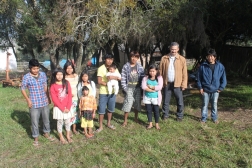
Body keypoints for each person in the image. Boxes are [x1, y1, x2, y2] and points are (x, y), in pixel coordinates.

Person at [21, 59, 54, 146]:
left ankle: (46, 133)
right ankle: (36, 138)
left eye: (37, 68)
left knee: (46, 119)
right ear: (30, 68)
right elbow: (23, 89)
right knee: (34, 121)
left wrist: (48, 97)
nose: (36, 70)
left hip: (44, 101)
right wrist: (28, 100)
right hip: (34, 102)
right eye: (34, 69)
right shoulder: (26, 77)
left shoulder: (43, 75)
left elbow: (45, 86)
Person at [159, 42, 188, 121]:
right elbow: (160, 71)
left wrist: (184, 84)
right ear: (170, 49)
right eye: (172, 49)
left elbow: (184, 73)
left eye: (175, 49)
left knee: (179, 101)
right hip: (167, 83)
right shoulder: (164, 58)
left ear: (178, 49)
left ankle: (179, 116)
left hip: (177, 84)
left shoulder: (182, 59)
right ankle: (165, 115)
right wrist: (160, 82)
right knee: (165, 101)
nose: (173, 51)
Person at [197, 49, 227, 124]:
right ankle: (203, 118)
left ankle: (214, 118)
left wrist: (221, 88)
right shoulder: (203, 66)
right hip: (205, 90)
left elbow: (224, 78)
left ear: (215, 57)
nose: (210, 58)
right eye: (209, 56)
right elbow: (198, 78)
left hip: (216, 90)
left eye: (212, 56)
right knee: (204, 105)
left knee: (214, 105)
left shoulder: (220, 66)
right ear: (207, 57)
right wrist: (200, 87)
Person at [96, 53, 120, 133]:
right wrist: (108, 84)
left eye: (111, 59)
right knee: (101, 110)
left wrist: (113, 79)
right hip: (104, 92)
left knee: (110, 109)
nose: (110, 61)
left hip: (112, 92)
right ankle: (100, 126)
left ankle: (109, 123)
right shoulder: (101, 68)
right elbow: (99, 81)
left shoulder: (114, 68)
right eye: (108, 59)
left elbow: (119, 78)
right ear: (105, 59)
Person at [121, 51, 145, 126]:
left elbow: (143, 78)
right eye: (132, 56)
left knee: (137, 104)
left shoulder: (140, 67)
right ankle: (125, 121)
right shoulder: (126, 66)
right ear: (130, 57)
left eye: (136, 57)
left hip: (137, 88)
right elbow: (123, 79)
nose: (134, 58)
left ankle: (136, 118)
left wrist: (141, 88)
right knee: (128, 103)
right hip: (129, 88)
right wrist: (125, 88)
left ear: (137, 58)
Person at [50, 68, 73, 144]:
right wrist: (62, 108)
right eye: (57, 74)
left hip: (67, 107)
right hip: (59, 108)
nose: (59, 76)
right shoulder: (53, 85)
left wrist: (68, 107)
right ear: (55, 75)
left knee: (67, 122)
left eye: (61, 74)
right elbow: (54, 99)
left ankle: (68, 136)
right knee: (60, 122)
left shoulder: (67, 83)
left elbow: (69, 95)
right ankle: (61, 136)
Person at [142, 65, 163, 130]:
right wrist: (151, 90)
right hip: (147, 97)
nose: (152, 72)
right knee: (149, 111)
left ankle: (156, 124)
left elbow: (160, 87)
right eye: (150, 71)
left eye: (153, 71)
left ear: (156, 71)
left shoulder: (159, 78)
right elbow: (143, 87)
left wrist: (151, 87)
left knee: (156, 111)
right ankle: (150, 124)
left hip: (156, 98)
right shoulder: (145, 78)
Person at [63, 61, 79, 135]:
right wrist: (67, 94)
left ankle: (74, 129)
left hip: (75, 98)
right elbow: (62, 88)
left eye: (71, 68)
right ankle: (68, 130)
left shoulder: (76, 76)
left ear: (73, 68)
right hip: (67, 99)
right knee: (68, 114)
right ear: (65, 69)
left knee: (74, 114)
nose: (69, 70)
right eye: (67, 68)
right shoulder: (63, 77)